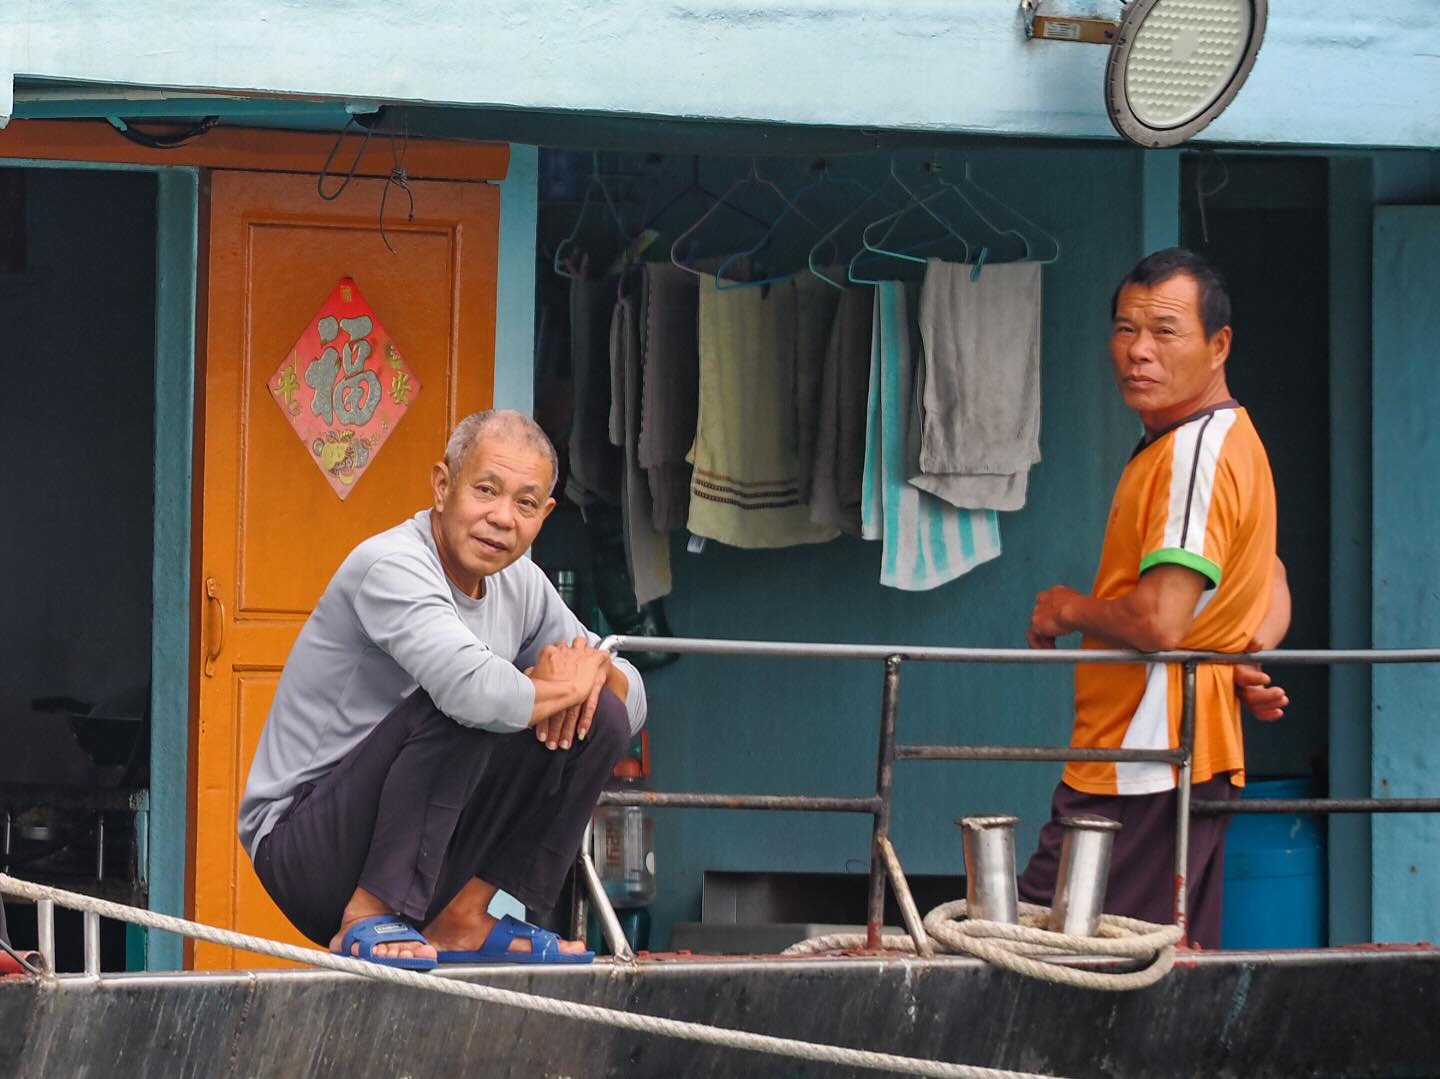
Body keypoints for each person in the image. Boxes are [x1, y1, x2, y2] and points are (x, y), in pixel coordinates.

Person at [238, 410, 646, 970]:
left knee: (601, 718)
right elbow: (472, 692)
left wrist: (591, 674)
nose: (502, 518)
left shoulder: (521, 583)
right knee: (468, 704)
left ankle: (462, 916)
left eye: (525, 504)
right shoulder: (391, 565)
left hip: (425, 859)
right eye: (485, 490)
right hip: (307, 850)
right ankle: (366, 914)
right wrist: (551, 685)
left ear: (544, 515)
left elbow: (633, 701)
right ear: (442, 486)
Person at [1017, 248, 1290, 949]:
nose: (1139, 351)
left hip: (1147, 760)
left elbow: (1162, 620)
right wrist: (1241, 653)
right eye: (1124, 329)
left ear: (1218, 344)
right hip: (1175, 754)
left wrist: (1068, 609)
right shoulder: (1221, 438)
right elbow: (1272, 577)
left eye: (1166, 331)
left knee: (1065, 954)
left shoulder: (1194, 450)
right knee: (1157, 969)